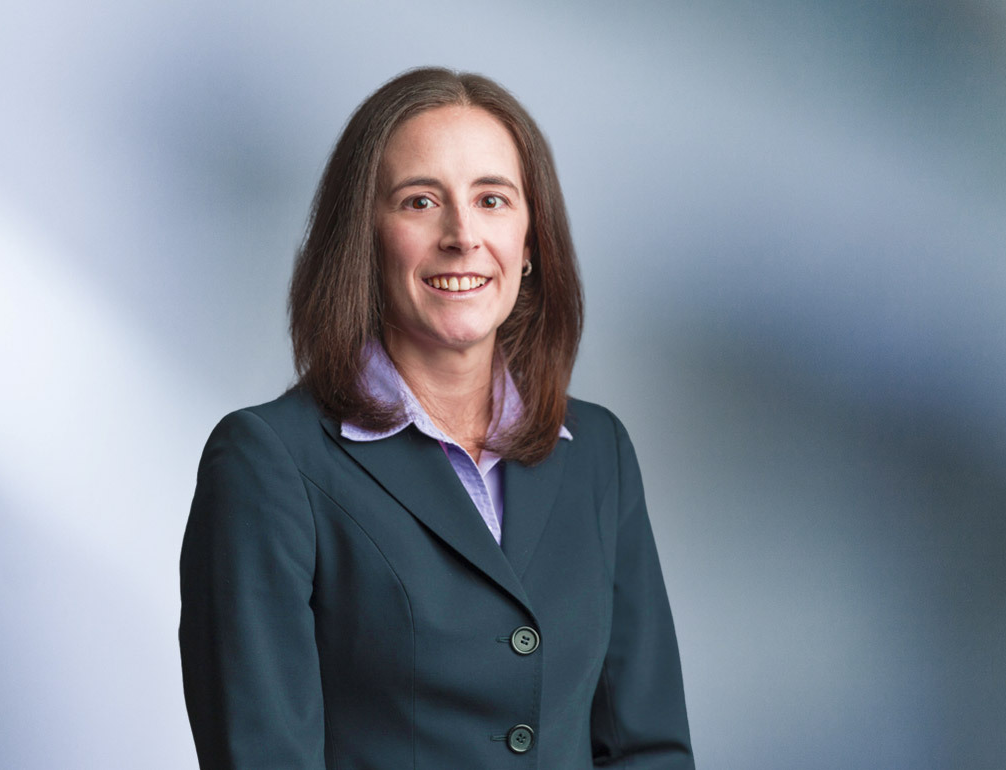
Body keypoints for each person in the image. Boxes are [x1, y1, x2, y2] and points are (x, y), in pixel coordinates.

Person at [179, 67, 693, 769]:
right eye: (421, 201)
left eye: (492, 200)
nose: (463, 235)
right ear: (363, 240)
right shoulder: (269, 461)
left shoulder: (599, 451)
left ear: (532, 242)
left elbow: (649, 749)